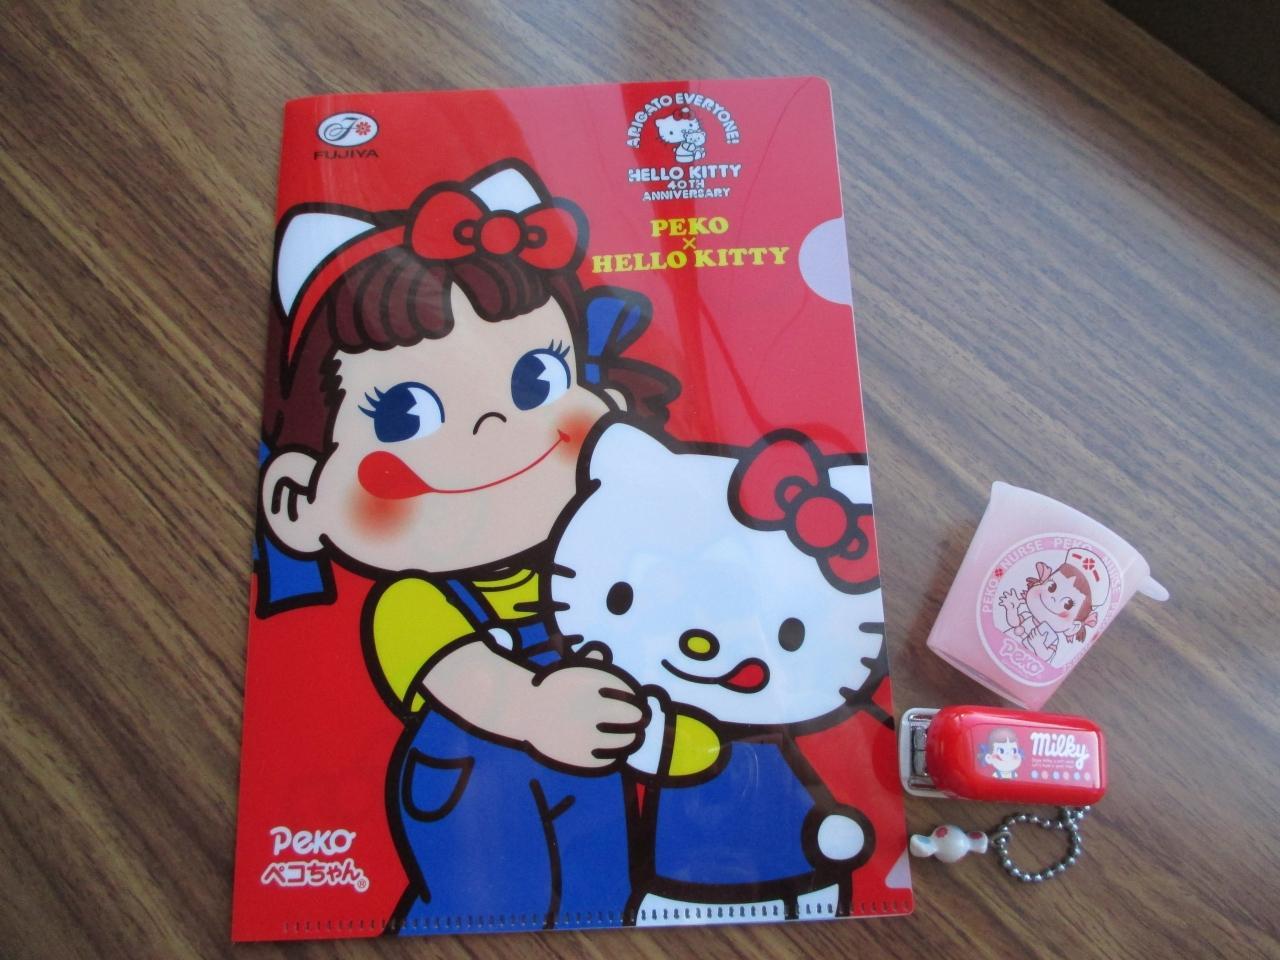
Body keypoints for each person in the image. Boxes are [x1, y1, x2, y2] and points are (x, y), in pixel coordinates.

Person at [256, 160, 679, 931]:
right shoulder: (414, 602)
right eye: (403, 416)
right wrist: (534, 708)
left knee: (612, 891)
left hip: (598, 774)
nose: (493, 428)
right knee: (480, 907)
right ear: (298, 497)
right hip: (474, 791)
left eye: (537, 380)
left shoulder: (598, 557)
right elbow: (466, 677)